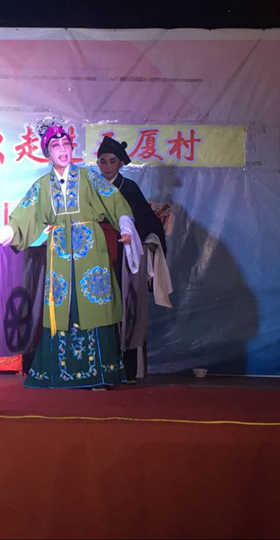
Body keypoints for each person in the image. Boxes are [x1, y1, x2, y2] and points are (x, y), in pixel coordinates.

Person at [0, 117, 140, 389]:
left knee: (95, 304)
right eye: (55, 145)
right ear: (47, 153)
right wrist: (3, 235)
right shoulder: (41, 186)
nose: (62, 149)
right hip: (58, 253)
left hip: (90, 251)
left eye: (66, 144)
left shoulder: (89, 177)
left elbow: (115, 202)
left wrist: (126, 225)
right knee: (61, 307)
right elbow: (24, 217)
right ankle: (58, 373)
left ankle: (101, 374)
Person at [96, 136, 170, 381]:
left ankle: (128, 369)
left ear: (120, 163)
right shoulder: (90, 188)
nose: (107, 166)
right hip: (95, 258)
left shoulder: (129, 189)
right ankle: (97, 366)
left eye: (112, 161)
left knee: (128, 309)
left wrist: (150, 241)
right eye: (103, 161)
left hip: (125, 258)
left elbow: (149, 222)